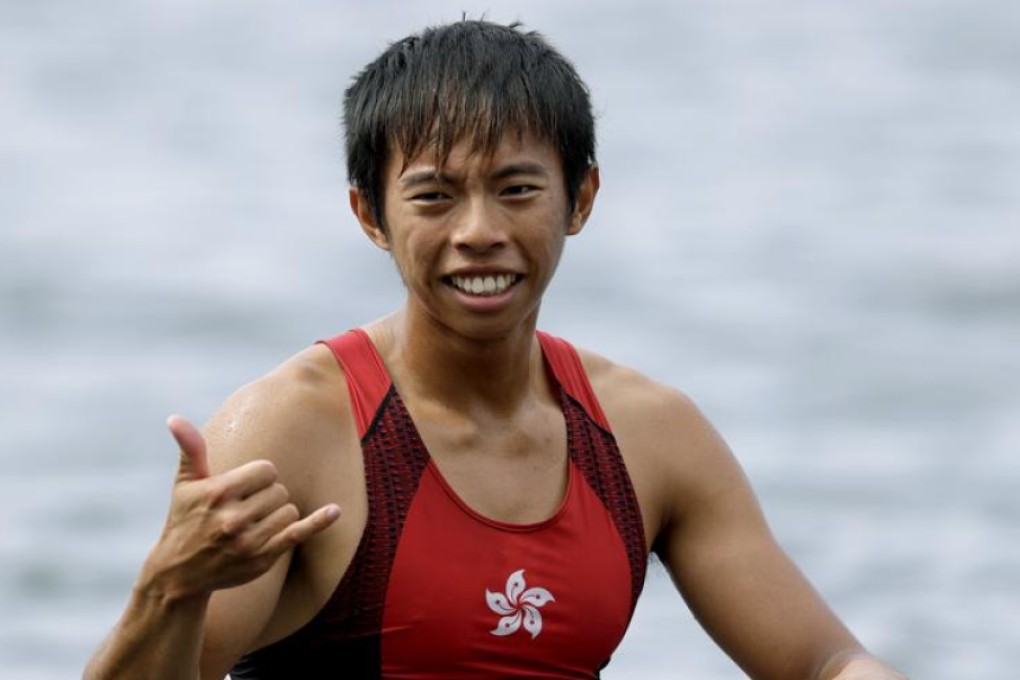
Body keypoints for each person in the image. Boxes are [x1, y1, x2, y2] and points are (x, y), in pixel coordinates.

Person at [83, 19, 907, 680]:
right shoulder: (291, 430)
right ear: (371, 216)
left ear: (580, 197)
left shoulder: (653, 437)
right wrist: (169, 586)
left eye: (516, 190)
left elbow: (822, 660)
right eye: (434, 197)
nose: (478, 234)